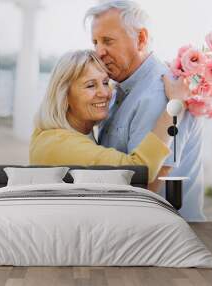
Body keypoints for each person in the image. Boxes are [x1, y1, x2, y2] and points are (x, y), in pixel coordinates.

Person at [85, 1, 205, 221]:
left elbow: (147, 185)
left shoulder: (160, 93)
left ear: (140, 39)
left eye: (108, 41)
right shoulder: (118, 90)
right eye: (95, 42)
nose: (98, 52)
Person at [30, 50, 189, 184]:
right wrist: (176, 104)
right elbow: (140, 171)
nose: (105, 93)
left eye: (105, 83)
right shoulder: (59, 145)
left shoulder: (56, 132)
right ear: (64, 96)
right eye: (91, 85)